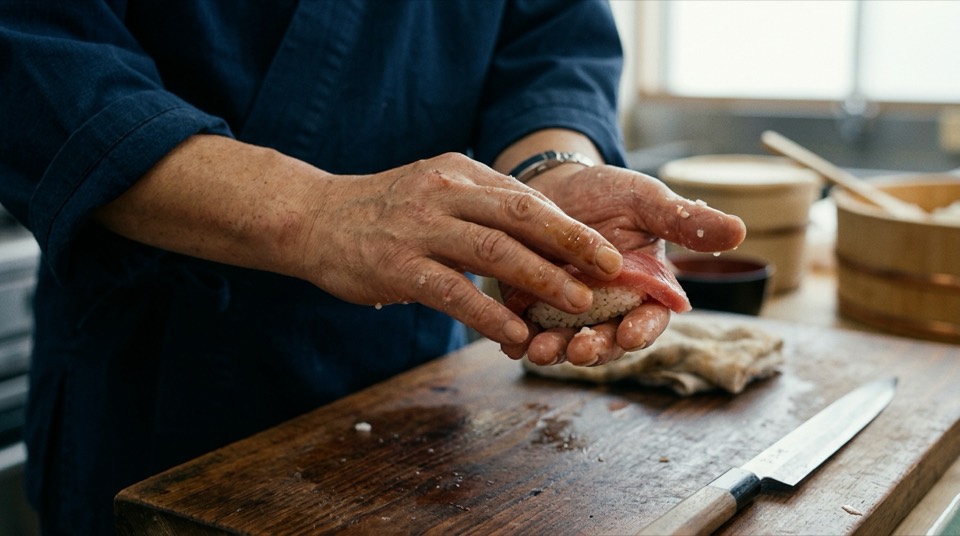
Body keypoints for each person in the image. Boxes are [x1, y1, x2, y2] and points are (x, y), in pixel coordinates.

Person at [0, 1, 745, 534]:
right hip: (156, 384)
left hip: (417, 381)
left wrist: (549, 179)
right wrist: (316, 214)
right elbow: (37, 55)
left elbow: (552, 44)